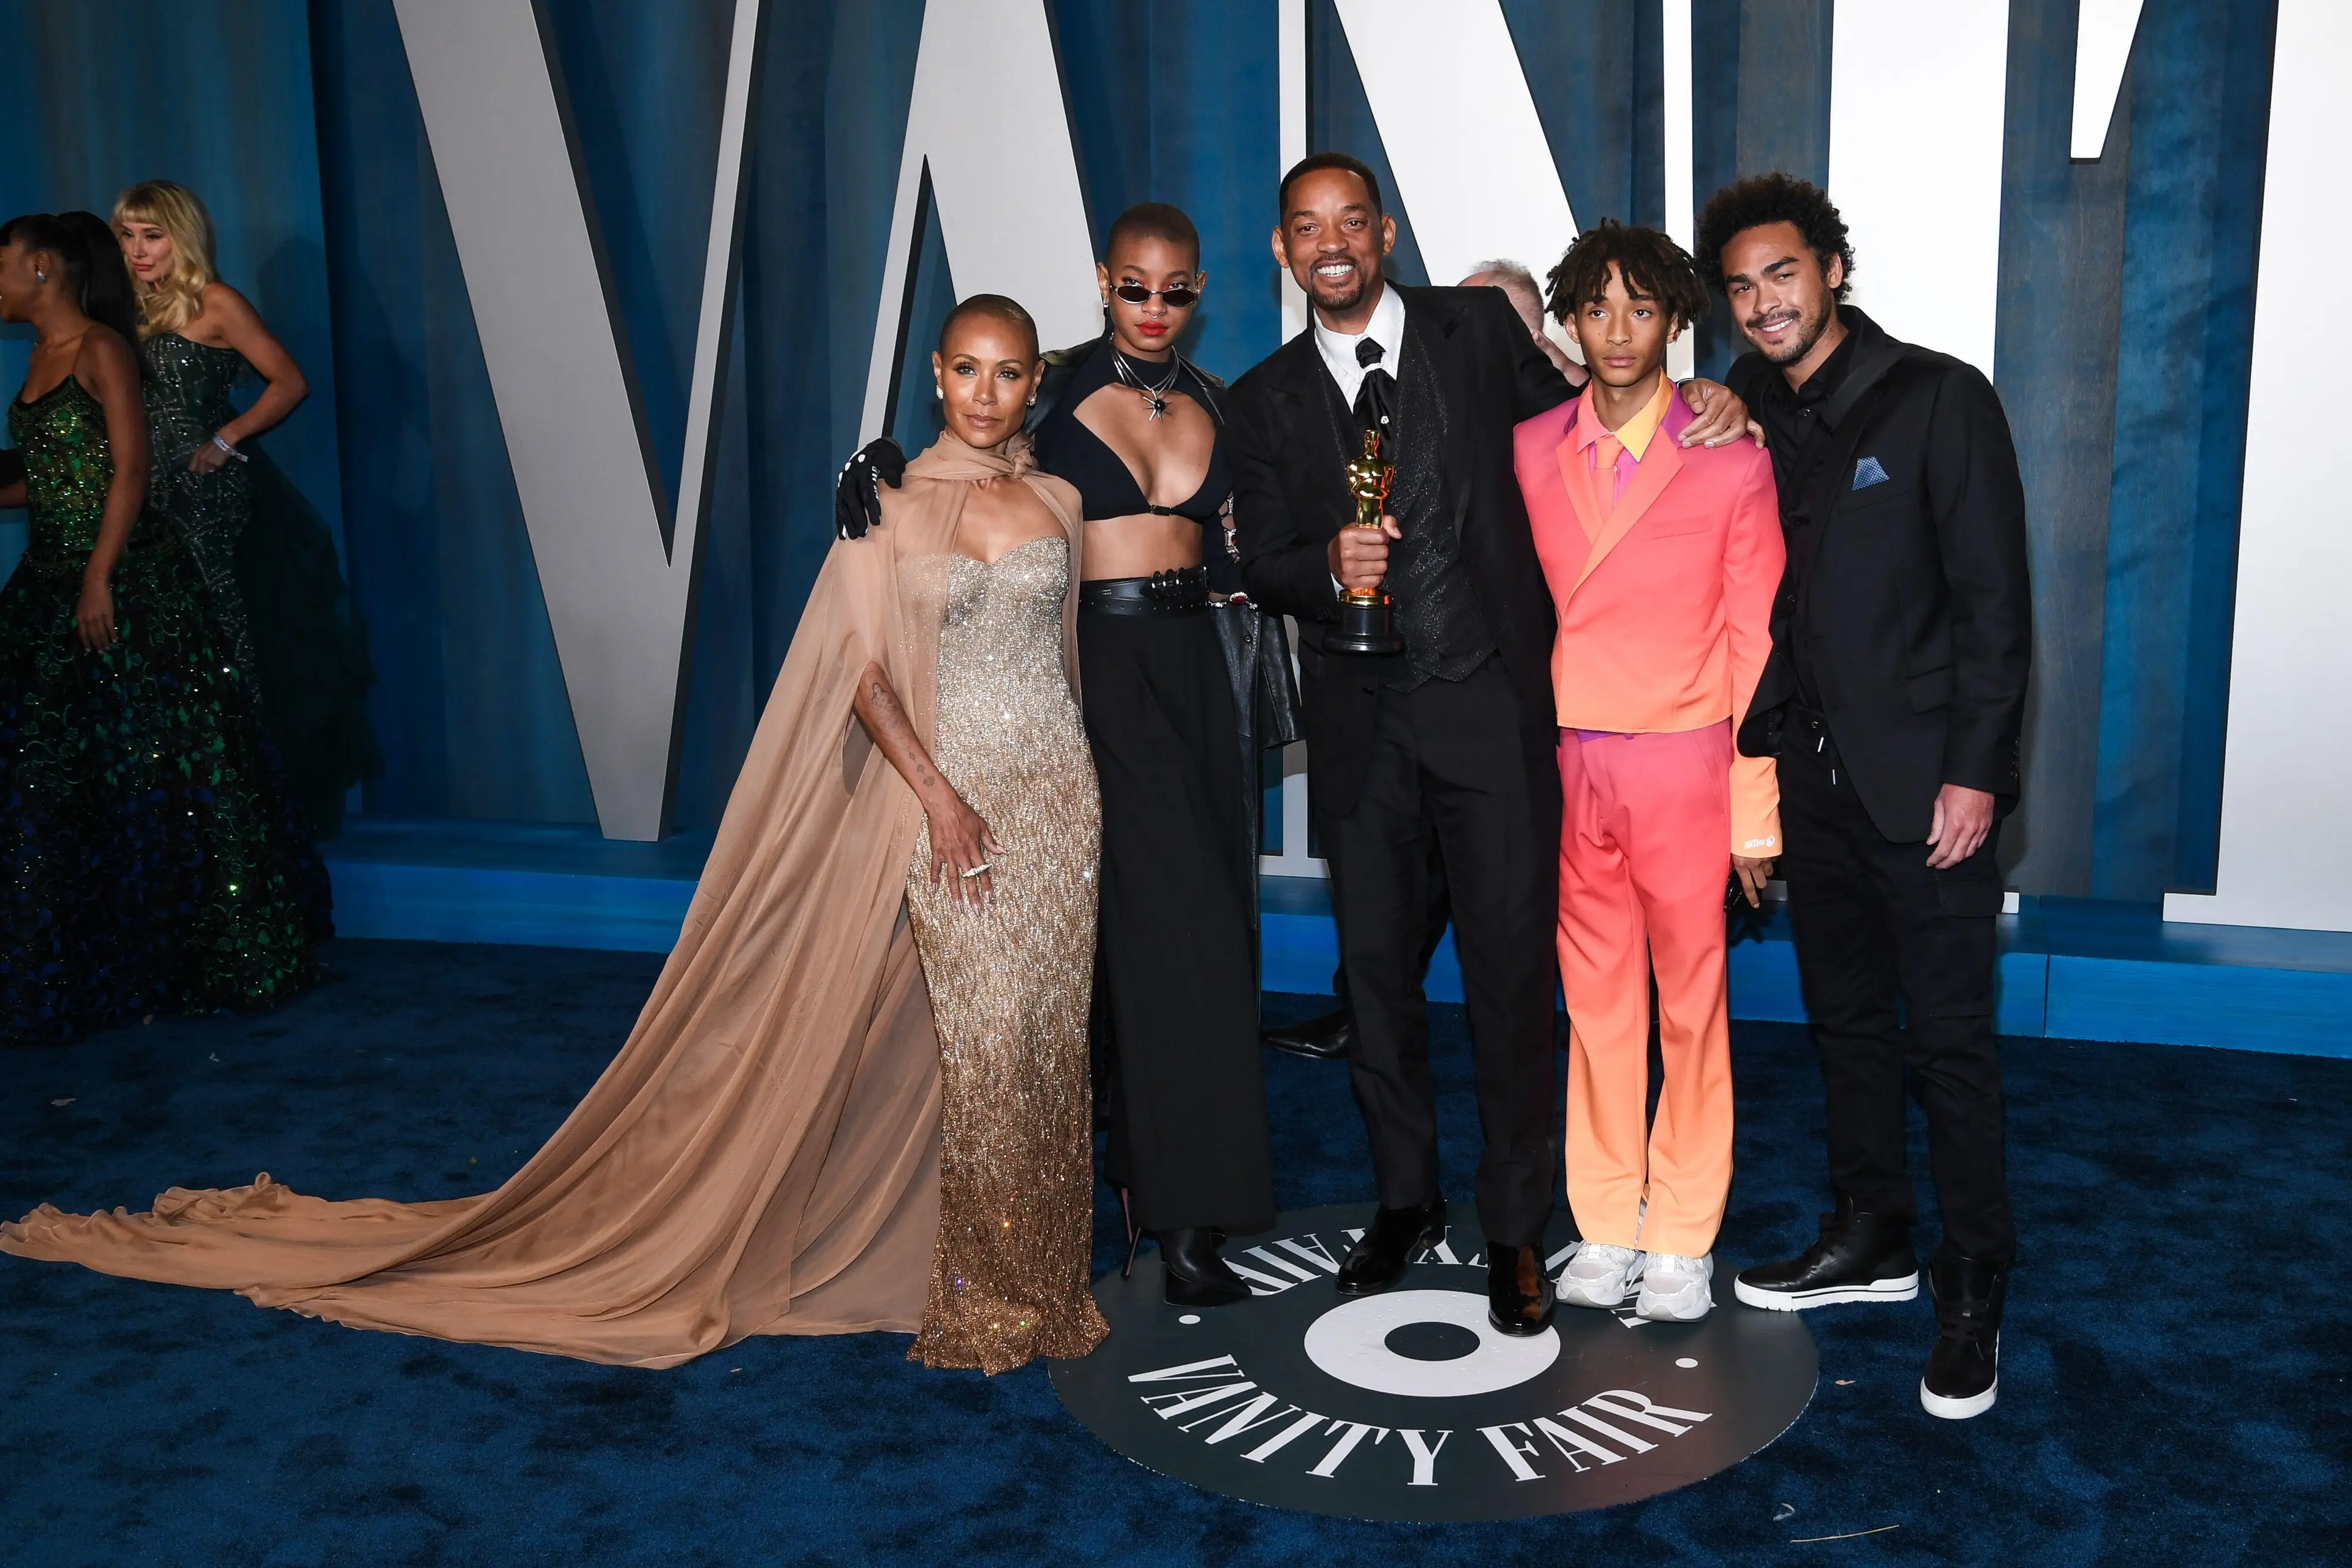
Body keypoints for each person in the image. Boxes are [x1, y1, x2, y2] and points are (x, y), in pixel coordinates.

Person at [5, 296, 1110, 1378]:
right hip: (946, 808)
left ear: (1033, 383)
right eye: (966, 368)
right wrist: (941, 800)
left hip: (1058, 804)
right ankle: (986, 1295)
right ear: (934, 373)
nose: (985, 392)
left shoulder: (1059, 499)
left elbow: (1071, 661)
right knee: (985, 1039)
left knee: (1046, 1043)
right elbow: (865, 682)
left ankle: (1043, 1282)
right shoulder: (891, 502)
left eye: (1008, 372)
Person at [1226, 153, 1753, 1336]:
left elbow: (1603, 407)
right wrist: (1318, 569)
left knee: (1517, 983)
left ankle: (1518, 1227)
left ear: (1387, 232)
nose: (1333, 245)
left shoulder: (1475, 330)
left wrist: (1714, 400)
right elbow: (1255, 555)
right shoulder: (1259, 399)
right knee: (1375, 979)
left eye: (1352, 222)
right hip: (1361, 732)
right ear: (1281, 250)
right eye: (1306, 228)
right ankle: (1405, 1200)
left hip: (1495, 718)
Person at [839, 205, 1284, 1308]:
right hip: (1100, 672)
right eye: (1135, 286)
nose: (1154, 308)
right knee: (1151, 943)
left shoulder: (1222, 401)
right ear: (1103, 281)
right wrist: (884, 458)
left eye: (1176, 290)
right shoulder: (1051, 393)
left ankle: (1180, 1199)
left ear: (1200, 292)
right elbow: (971, 465)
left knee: (1213, 941)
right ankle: (1166, 1225)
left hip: (1203, 669)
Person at [1695, 175, 2030, 1419]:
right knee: (1845, 1027)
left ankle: (1974, 1276)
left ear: (1832, 267)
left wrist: (1978, 771)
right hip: (1812, 790)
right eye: (1741, 285)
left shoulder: (1939, 398)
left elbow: (1997, 603)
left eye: (1782, 272)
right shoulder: (1745, 421)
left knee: (1950, 1046)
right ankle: (1872, 1231)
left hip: (1930, 789)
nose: (1764, 300)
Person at [1513, 221, 1782, 1324]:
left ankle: (1680, 1233)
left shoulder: (1732, 456)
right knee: (1598, 1008)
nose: (1617, 331)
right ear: (1568, 323)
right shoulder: (1530, 447)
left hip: (1687, 766)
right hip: (1574, 766)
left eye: (1641, 308)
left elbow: (1756, 646)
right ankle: (1606, 1218)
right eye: (1595, 308)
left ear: (1679, 321)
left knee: (1693, 1010)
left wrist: (1753, 817)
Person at [0, 212, 328, 1047]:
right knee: (61, 770)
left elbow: (131, 468)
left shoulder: (118, 344)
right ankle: (85, 956)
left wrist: (101, 576)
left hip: (139, 562)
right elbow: (57, 477)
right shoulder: (54, 355)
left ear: (42, 267)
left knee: (173, 757)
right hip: (58, 575)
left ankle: (193, 950)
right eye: (127, 235)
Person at [114, 180, 379, 836]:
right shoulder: (119, 309)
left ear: (184, 236)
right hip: (142, 494)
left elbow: (290, 381)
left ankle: (247, 794)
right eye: (126, 235)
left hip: (207, 498)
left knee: (225, 635)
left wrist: (227, 439)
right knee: (153, 639)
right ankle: (176, 794)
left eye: (152, 234)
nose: (138, 250)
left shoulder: (216, 303)